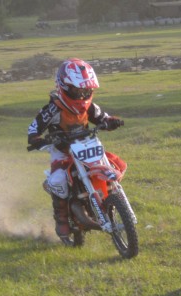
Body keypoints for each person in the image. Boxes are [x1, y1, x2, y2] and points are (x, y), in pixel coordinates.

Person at [27, 58, 123, 244]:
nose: (82, 95)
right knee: (58, 180)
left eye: (86, 91)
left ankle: (112, 200)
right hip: (62, 151)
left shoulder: (89, 106)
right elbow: (33, 129)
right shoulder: (53, 109)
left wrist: (111, 121)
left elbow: (102, 117)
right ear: (64, 87)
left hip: (86, 145)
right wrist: (37, 140)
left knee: (113, 164)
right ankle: (62, 222)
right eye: (77, 91)